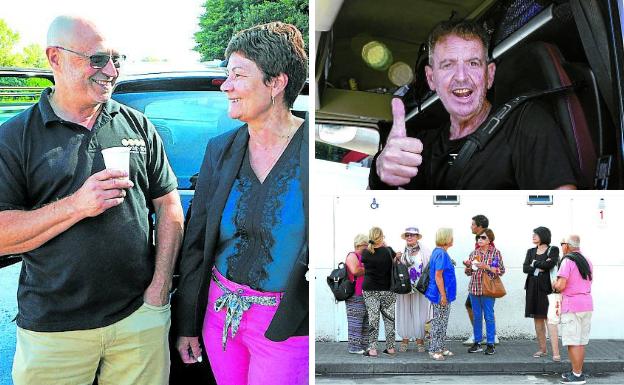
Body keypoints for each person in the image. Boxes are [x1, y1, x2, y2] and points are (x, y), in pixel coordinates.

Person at [0, 16, 184, 385]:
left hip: (138, 321)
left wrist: (158, 292)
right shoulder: (15, 137)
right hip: (55, 330)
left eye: (118, 58)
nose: (112, 71)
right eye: (98, 59)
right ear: (55, 58)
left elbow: (168, 204)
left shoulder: (137, 125)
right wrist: (77, 205)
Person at [174, 22, 308, 385]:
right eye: (226, 74)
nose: (226, 85)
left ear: (276, 83)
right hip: (219, 319)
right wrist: (187, 323)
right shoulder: (220, 150)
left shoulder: (316, 149)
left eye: (238, 75)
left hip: (287, 328)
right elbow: (196, 243)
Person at [368, 19, 579, 189]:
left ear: (490, 75)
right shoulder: (422, 147)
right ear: (431, 79)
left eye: (473, 63)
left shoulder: (526, 124)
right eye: (448, 64)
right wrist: (380, 170)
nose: (461, 77)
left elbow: (565, 215)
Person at [555, 235, 593, 385]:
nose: (561, 246)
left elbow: (561, 285)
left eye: (561, 243)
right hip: (587, 303)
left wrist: (554, 283)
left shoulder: (567, 260)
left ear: (567, 245)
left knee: (573, 341)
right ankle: (577, 372)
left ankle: (577, 376)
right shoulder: (587, 260)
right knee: (581, 341)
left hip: (572, 304)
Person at [465, 228, 505, 355]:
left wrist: (486, 266)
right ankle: (477, 342)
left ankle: (490, 343)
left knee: (488, 316)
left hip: (488, 289)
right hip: (474, 288)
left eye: (483, 237)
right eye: (478, 238)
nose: (480, 240)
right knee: (476, 316)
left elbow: (501, 270)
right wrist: (468, 267)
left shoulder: (495, 253)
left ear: (490, 240)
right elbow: (468, 273)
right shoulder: (474, 253)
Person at [523, 226, 560, 359]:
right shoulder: (531, 251)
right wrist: (539, 266)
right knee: (537, 320)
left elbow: (550, 265)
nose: (533, 236)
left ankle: (556, 352)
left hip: (547, 289)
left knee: (549, 319)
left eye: (536, 234)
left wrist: (535, 264)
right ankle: (542, 349)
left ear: (543, 235)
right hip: (532, 288)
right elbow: (525, 268)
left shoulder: (553, 249)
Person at [361, 226, 398, 357]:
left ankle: (372, 349)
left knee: (373, 319)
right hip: (388, 289)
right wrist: (385, 245)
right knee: (389, 319)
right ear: (382, 237)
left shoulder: (365, 253)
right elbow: (393, 260)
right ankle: (391, 348)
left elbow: (364, 264)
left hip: (370, 289)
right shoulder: (388, 251)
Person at [395, 226, 431, 353]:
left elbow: (429, 269)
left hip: (420, 288)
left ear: (417, 237)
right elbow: (396, 269)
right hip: (405, 287)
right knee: (404, 312)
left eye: (412, 235)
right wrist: (396, 259)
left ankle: (420, 340)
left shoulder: (425, 252)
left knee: (420, 312)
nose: (409, 237)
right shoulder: (401, 252)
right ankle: (405, 340)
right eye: (407, 235)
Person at [425, 228, 457, 361]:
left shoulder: (440, 252)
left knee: (443, 321)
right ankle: (434, 349)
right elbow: (438, 276)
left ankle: (441, 347)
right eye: (451, 237)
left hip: (443, 293)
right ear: (447, 238)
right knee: (438, 322)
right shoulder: (441, 254)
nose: (453, 239)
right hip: (440, 294)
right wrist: (443, 295)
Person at [345, 234, 369, 354]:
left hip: (366, 293)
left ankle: (364, 345)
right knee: (355, 321)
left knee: (366, 321)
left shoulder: (365, 256)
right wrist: (370, 267)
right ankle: (354, 347)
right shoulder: (352, 256)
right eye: (365, 245)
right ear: (358, 245)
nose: (367, 247)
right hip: (355, 294)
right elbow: (355, 271)